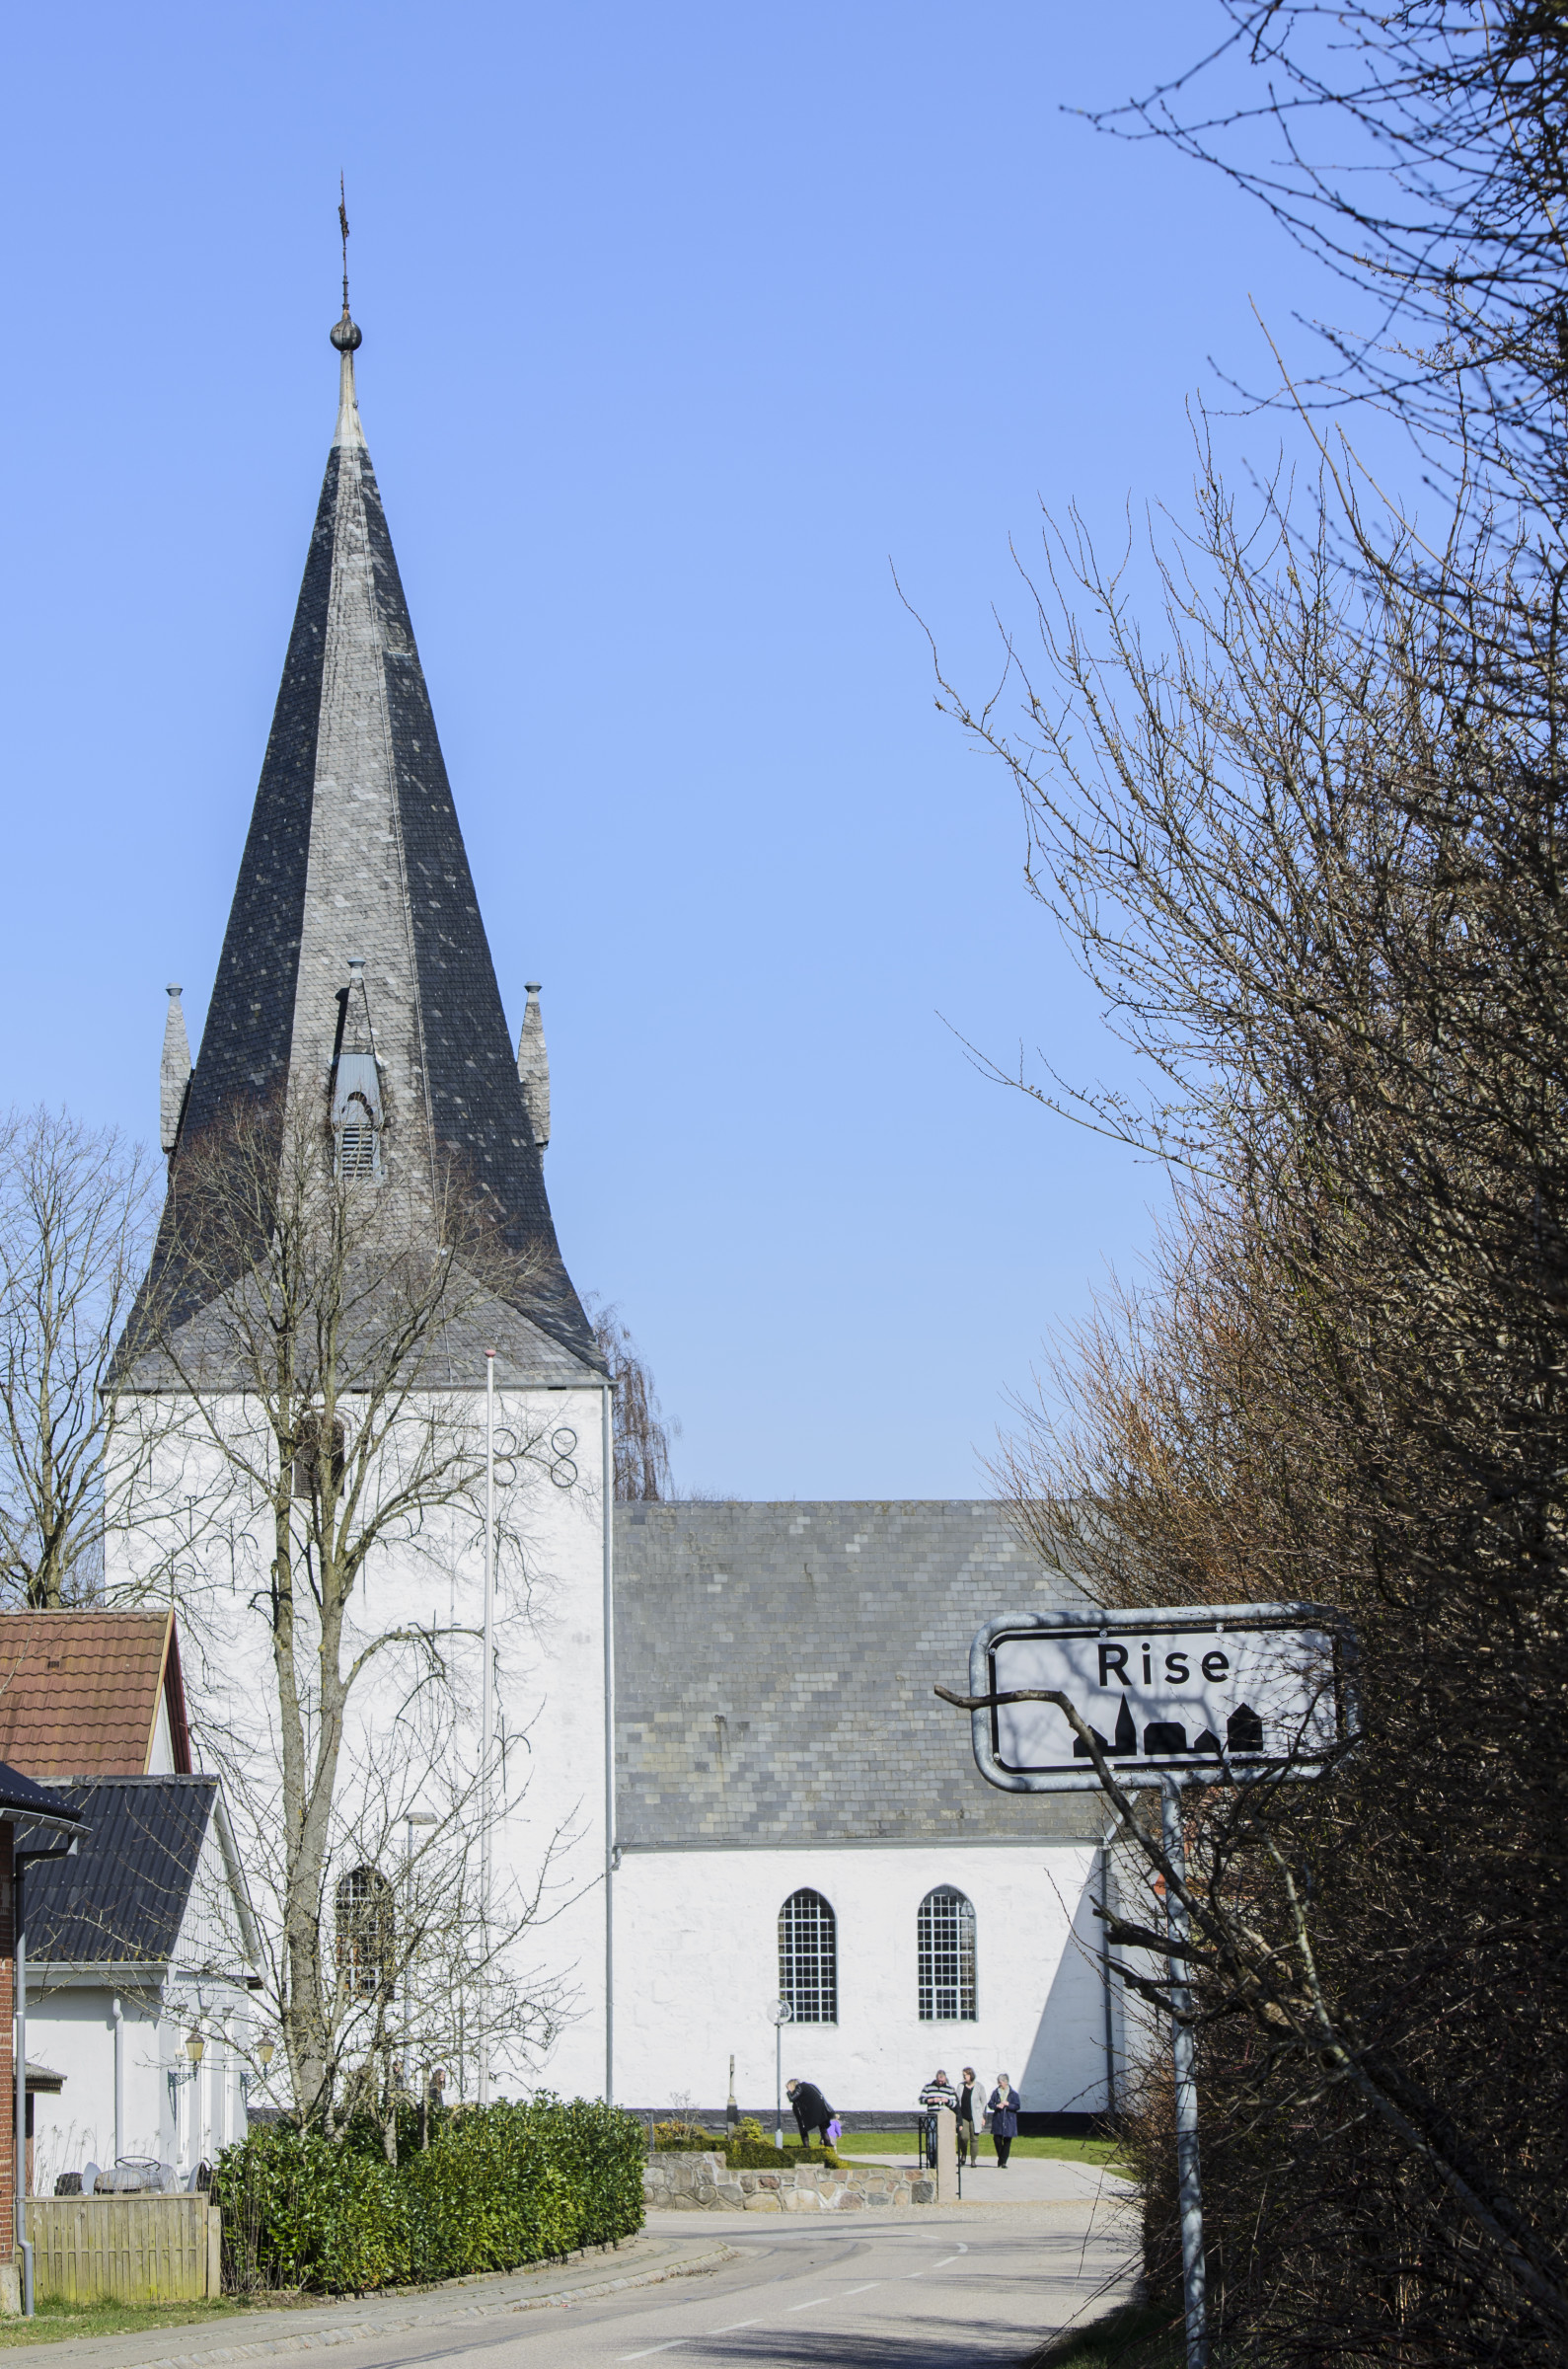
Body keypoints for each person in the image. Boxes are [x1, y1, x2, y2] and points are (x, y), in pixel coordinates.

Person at [919, 2069, 959, 2169]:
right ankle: (932, 2161)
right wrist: (932, 2100)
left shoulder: (950, 2089)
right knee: (932, 2141)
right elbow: (921, 2099)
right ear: (936, 2078)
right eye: (939, 2081)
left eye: (942, 2081)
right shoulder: (928, 2087)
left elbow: (955, 2103)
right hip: (932, 2116)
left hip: (944, 2118)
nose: (940, 2083)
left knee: (943, 2141)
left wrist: (947, 2101)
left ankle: (941, 2161)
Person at [784, 2076, 834, 2148]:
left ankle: (806, 2147)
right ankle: (828, 2145)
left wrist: (789, 2091)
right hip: (820, 2108)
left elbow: (792, 2098)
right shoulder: (809, 2085)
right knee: (823, 2128)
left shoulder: (799, 2087)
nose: (789, 2090)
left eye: (788, 2087)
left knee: (803, 2128)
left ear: (792, 2085)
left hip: (813, 2110)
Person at [985, 2073, 1020, 2169]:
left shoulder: (1013, 2094)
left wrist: (1008, 2104)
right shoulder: (996, 2092)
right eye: (998, 2082)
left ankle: (1003, 2162)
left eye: (1000, 2082)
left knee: (1007, 2141)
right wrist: (997, 2106)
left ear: (1006, 2082)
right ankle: (1001, 2158)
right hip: (998, 2119)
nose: (999, 2084)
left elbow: (1017, 2106)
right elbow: (990, 2104)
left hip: (1009, 2120)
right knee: (997, 2139)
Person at [957, 2067, 979, 2167]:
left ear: (970, 2075)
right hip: (963, 2115)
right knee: (963, 2137)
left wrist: (983, 2116)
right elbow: (957, 2100)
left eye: (965, 2075)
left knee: (974, 2138)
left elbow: (983, 2102)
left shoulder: (979, 2087)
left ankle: (973, 2160)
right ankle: (963, 2154)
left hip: (975, 2116)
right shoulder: (961, 2086)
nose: (964, 2077)